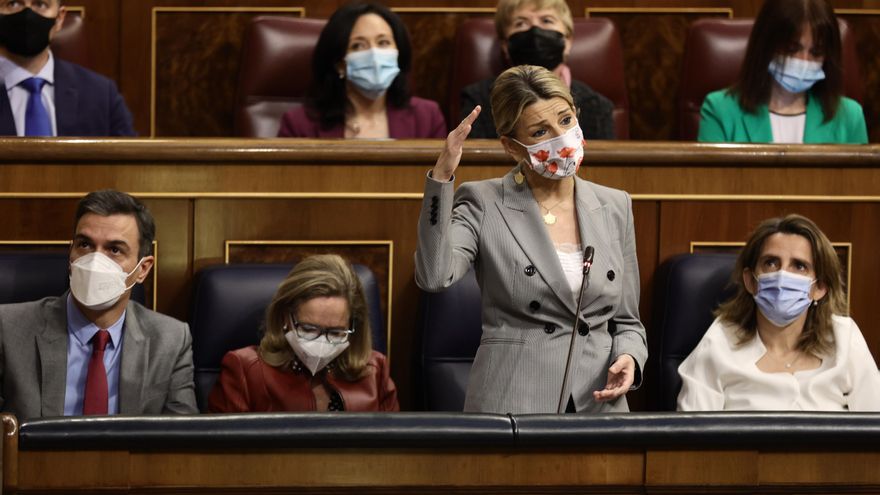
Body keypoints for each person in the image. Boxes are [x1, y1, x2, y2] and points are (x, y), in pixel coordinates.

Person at [416, 65, 646, 414]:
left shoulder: (615, 205)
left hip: (598, 404)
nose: (561, 138)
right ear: (512, 146)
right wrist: (442, 176)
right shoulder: (483, 201)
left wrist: (629, 356)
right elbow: (434, 276)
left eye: (566, 121)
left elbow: (628, 321)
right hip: (513, 402)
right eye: (541, 131)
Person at [0, 190, 197, 420]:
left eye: (114, 250)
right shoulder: (8, 329)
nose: (94, 260)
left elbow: (181, 441)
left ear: (143, 269)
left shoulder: (171, 341)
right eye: (85, 245)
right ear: (70, 252)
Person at [678, 214, 880, 411]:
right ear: (750, 281)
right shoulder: (719, 342)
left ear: (819, 287)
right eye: (771, 263)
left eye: (799, 266)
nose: (782, 275)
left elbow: (873, 427)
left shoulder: (844, 338)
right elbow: (690, 439)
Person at [208, 254, 398, 412]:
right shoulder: (244, 371)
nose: (321, 342)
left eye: (336, 332)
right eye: (308, 329)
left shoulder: (375, 371)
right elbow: (222, 454)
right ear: (285, 318)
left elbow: (395, 451)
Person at [698, 0, 867, 144]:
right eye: (792, 49)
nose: (804, 61)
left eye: (816, 52)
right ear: (766, 45)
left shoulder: (850, 116)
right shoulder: (719, 110)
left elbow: (857, 183)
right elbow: (712, 182)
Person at [277, 3, 445, 139]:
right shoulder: (298, 124)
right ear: (339, 64)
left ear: (398, 52)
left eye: (383, 42)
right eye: (358, 45)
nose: (374, 54)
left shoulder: (427, 117)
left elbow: (440, 178)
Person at [460, 0, 614, 140]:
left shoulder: (597, 107)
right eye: (520, 23)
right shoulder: (477, 101)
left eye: (546, 20)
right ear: (505, 45)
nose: (534, 30)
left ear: (567, 41)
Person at [0, 0, 135, 136]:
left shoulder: (102, 95)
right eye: (13, 4)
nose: (27, 15)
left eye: (41, 5)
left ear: (59, 18)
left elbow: (129, 155)